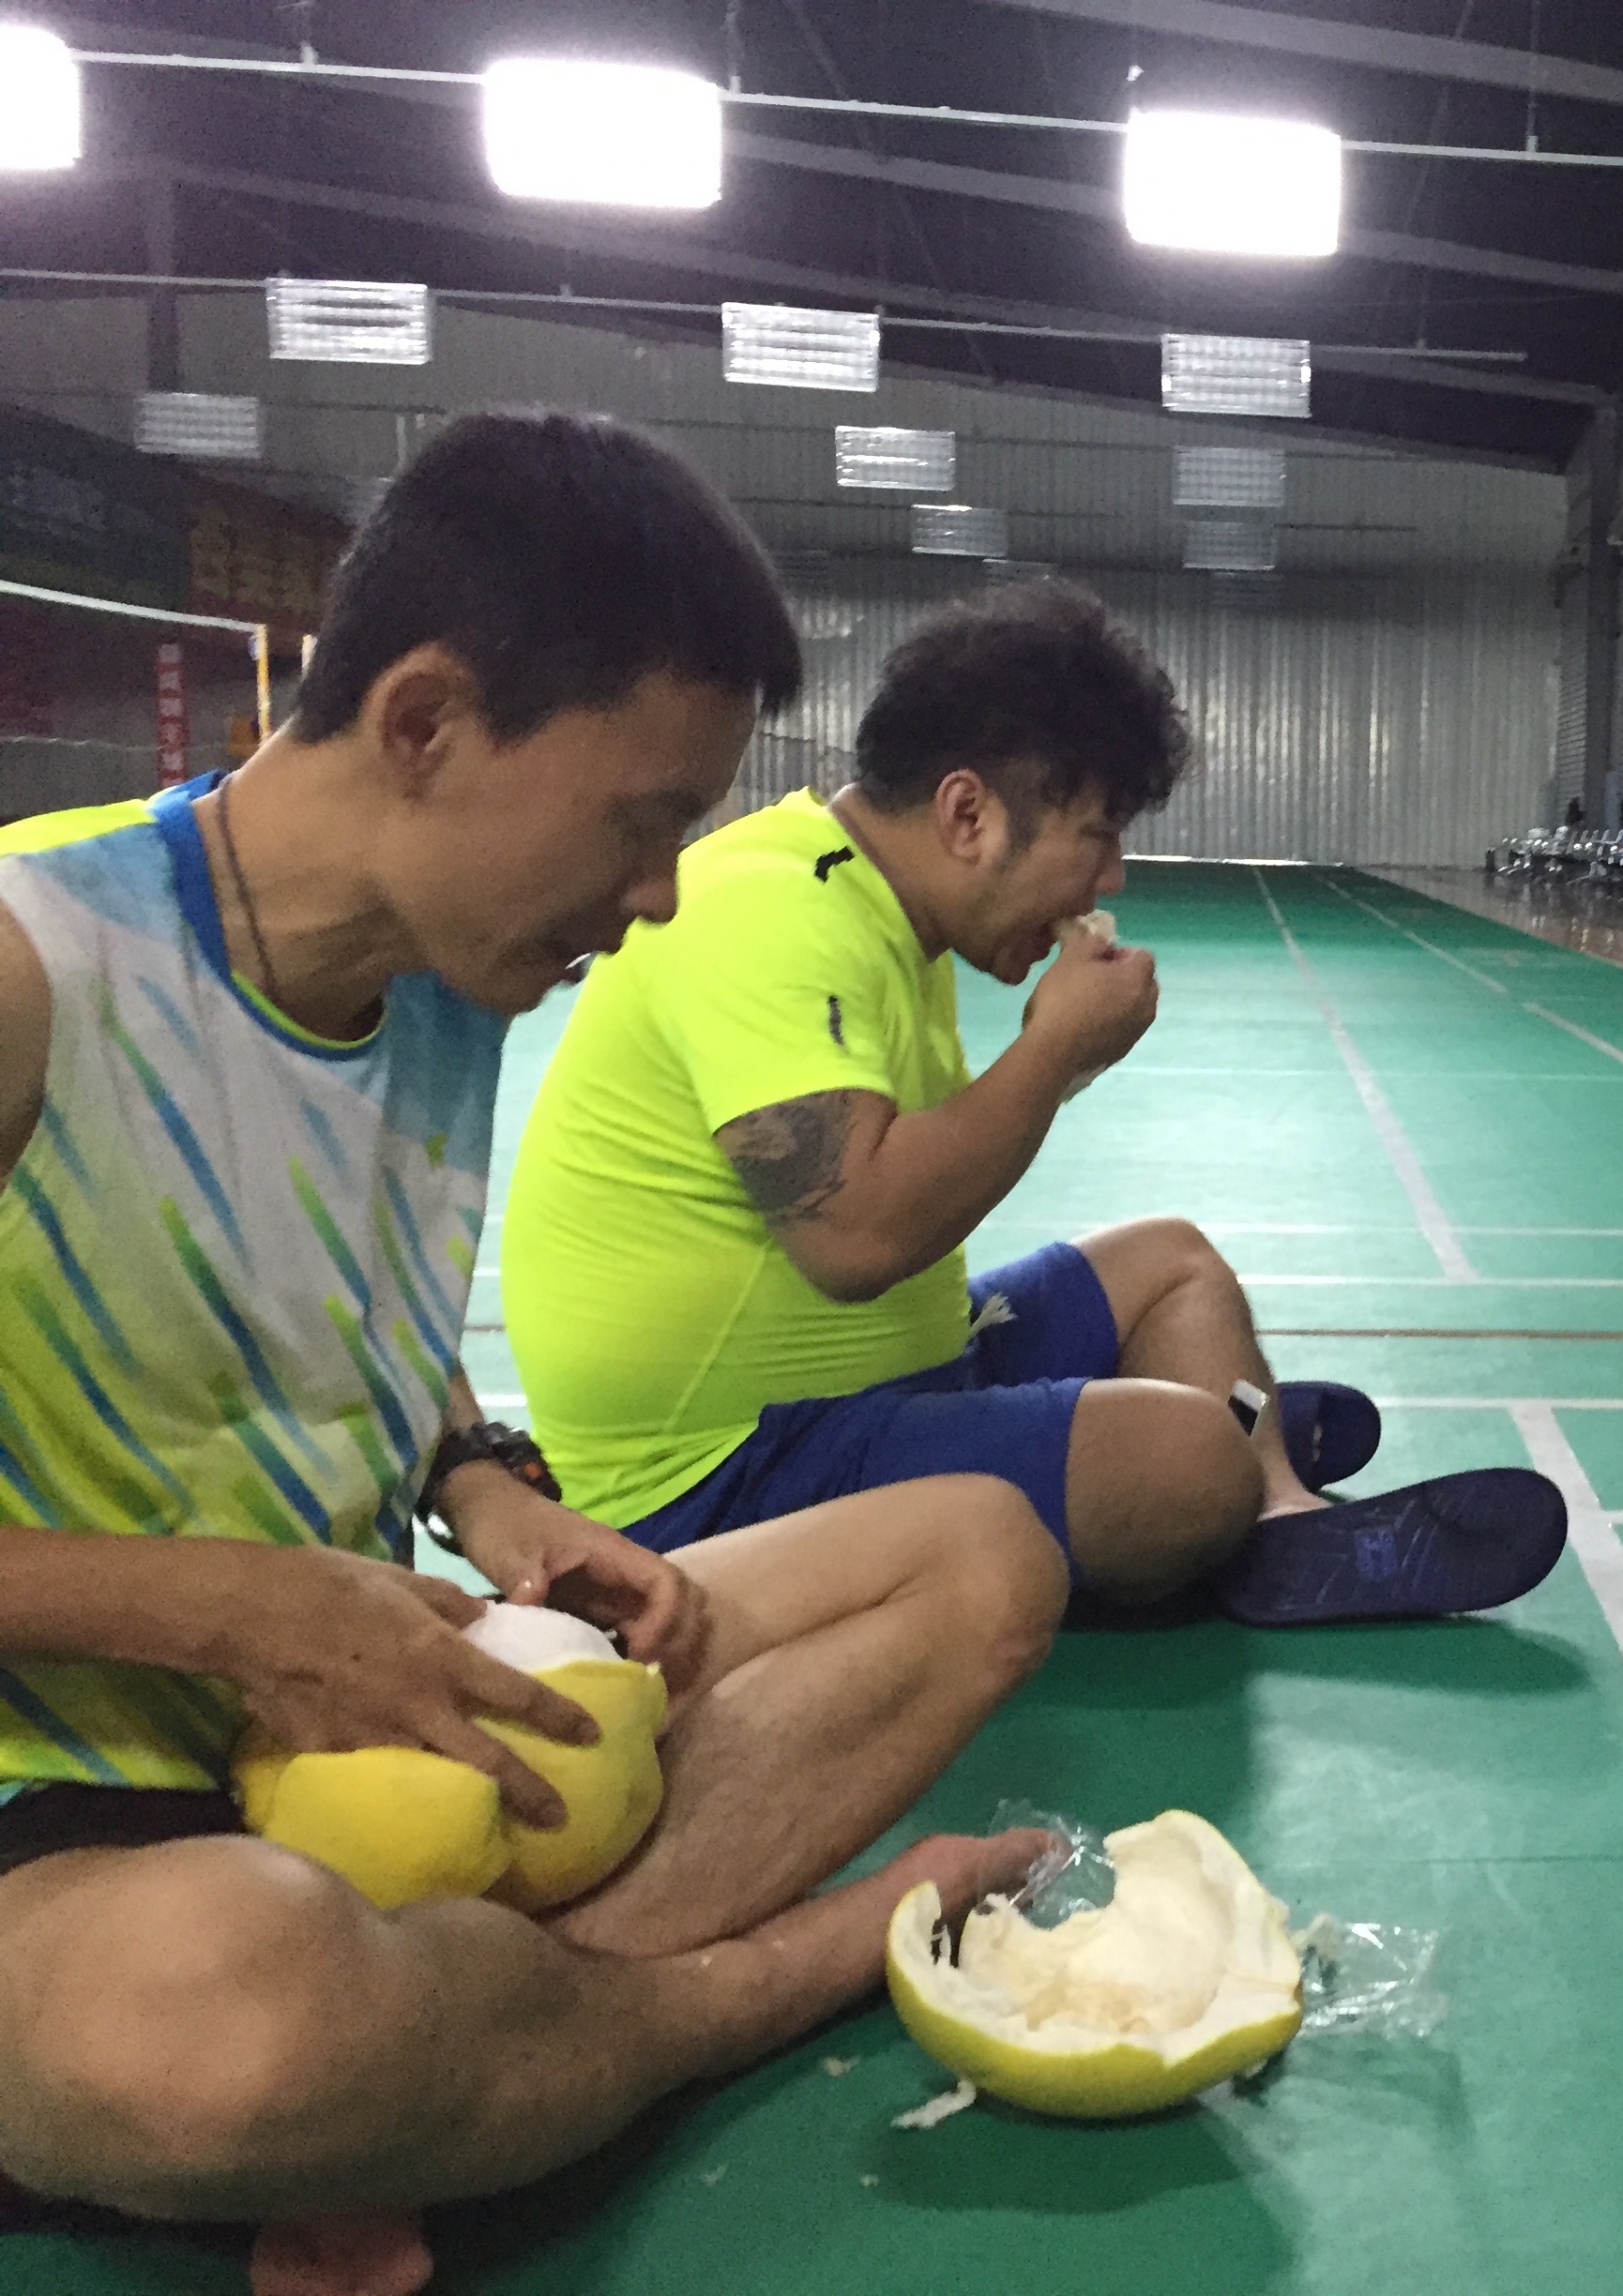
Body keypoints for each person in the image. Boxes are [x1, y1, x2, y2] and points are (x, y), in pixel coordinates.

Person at [0, 411, 1073, 2296]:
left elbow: (306, 1309)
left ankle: (460, 2064)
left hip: (346, 1741)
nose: (658, 895)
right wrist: (229, 1611)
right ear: (423, 724)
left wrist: (485, 1488)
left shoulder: (441, 977)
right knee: (242, 2026)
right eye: (642, 820)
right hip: (60, 1829)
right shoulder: (34, 964)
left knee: (980, 1552)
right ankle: (738, 1990)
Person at [496, 582, 1563, 1626]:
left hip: (898, 1386)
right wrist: (1050, 1055)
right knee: (1187, 1458)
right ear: (969, 812)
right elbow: (856, 1236)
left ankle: (1275, 1505)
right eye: (1095, 835)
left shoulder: (874, 911)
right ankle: (1223, 1450)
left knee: (1173, 1262)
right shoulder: (777, 908)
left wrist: (1056, 1058)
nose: (1111, 880)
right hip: (719, 1480)